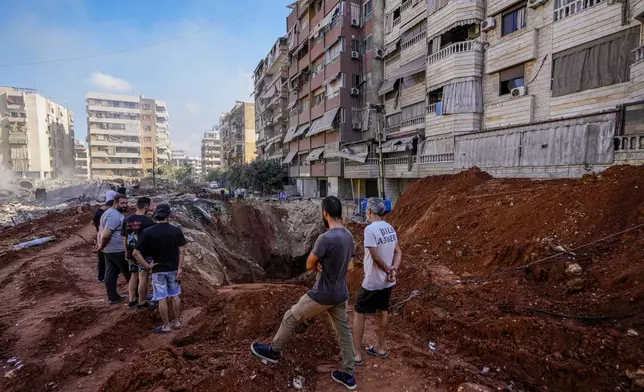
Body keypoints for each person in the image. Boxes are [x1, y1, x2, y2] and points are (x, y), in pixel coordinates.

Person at [251, 196, 357, 390]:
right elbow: (349, 259)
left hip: (322, 294)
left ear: (325, 213)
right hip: (341, 293)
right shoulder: (348, 236)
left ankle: (273, 351)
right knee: (344, 334)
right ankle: (349, 375)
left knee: (290, 317)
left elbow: (309, 263)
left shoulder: (326, 238)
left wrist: (317, 264)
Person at [352, 198, 402, 365]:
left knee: (359, 311)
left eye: (367, 210)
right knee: (383, 310)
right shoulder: (390, 228)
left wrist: (388, 270)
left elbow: (375, 257)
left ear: (370, 212)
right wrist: (393, 269)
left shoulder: (370, 230)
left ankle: (357, 354)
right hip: (388, 281)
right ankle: (380, 348)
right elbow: (398, 252)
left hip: (373, 281)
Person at [133, 204, 187, 334]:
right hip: (173, 269)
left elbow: (135, 252)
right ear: (168, 215)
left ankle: (166, 326)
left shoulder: (148, 232)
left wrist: (147, 266)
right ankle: (178, 322)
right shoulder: (176, 231)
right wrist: (179, 268)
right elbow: (182, 250)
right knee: (175, 295)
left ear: (156, 215)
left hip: (158, 270)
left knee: (161, 297)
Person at [94, 193, 131, 304]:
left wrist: (102, 246)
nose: (125, 205)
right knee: (130, 273)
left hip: (109, 250)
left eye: (126, 203)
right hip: (118, 250)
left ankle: (113, 297)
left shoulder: (108, 212)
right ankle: (137, 296)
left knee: (111, 272)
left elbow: (100, 232)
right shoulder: (114, 216)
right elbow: (105, 234)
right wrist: (101, 246)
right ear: (115, 203)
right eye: (122, 203)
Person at [122, 197, 156, 309]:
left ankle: (132, 299)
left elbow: (124, 237)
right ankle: (142, 301)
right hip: (143, 254)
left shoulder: (127, 219)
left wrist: (126, 252)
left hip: (130, 252)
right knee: (143, 276)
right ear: (146, 206)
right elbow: (152, 240)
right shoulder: (148, 222)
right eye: (150, 205)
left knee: (133, 274)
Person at [92, 190, 117, 282]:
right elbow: (100, 231)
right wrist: (99, 243)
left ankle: (105, 275)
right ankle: (102, 277)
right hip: (103, 239)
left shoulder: (99, 212)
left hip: (105, 238)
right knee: (102, 258)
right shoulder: (101, 214)